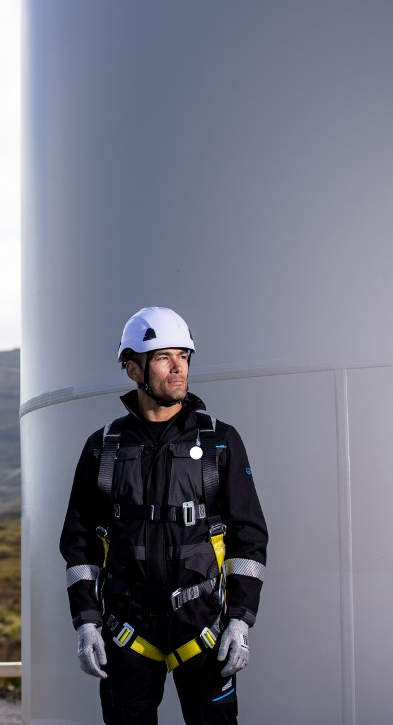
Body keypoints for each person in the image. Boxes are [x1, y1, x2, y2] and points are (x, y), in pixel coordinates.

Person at [59, 307, 268, 725]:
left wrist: (240, 622)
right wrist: (86, 622)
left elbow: (250, 538)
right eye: (163, 358)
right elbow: (78, 544)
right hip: (126, 631)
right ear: (133, 369)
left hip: (203, 628)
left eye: (184, 356)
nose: (178, 368)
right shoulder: (103, 448)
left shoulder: (220, 442)